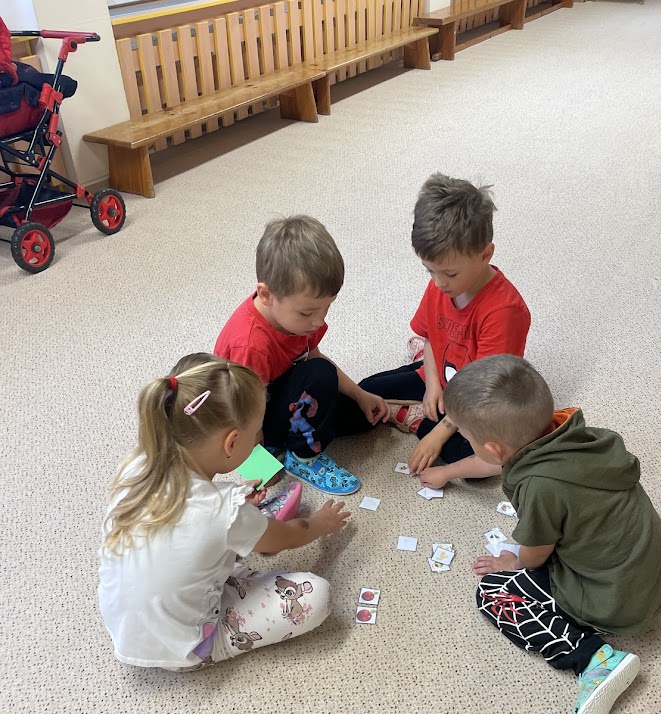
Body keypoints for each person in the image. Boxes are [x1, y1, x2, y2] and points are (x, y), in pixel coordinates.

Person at [442, 355, 661, 714]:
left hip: (620, 601)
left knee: (492, 594)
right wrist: (447, 472)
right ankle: (657, 541)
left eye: (466, 438)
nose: (466, 442)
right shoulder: (579, 432)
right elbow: (499, 463)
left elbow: (536, 557)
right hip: (651, 561)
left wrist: (512, 562)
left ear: (495, 448)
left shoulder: (539, 487)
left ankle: (594, 660)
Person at [98, 354, 350, 671]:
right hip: (185, 646)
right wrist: (320, 523)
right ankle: (212, 641)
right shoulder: (222, 507)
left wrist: (235, 509)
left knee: (219, 540)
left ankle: (244, 536)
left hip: (125, 627)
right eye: (256, 432)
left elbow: (187, 518)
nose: (258, 440)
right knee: (315, 596)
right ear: (232, 442)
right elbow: (288, 538)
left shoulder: (138, 464)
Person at [357, 173, 531, 490]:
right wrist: (432, 385)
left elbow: (484, 392)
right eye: (430, 271)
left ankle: (416, 419)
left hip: (480, 398)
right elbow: (430, 338)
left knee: (484, 459)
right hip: (441, 373)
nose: (438, 282)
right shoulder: (441, 285)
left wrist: (438, 433)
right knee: (365, 394)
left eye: (449, 273)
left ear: (485, 255)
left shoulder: (504, 311)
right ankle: (419, 403)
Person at [214, 216, 389, 495]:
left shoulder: (294, 319)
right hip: (251, 416)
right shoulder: (249, 345)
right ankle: (302, 457)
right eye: (307, 312)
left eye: (326, 308)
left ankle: (294, 439)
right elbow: (241, 416)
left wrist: (359, 394)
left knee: (361, 416)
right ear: (266, 295)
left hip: (282, 399)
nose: (318, 321)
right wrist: (258, 465)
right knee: (321, 374)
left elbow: (312, 355)